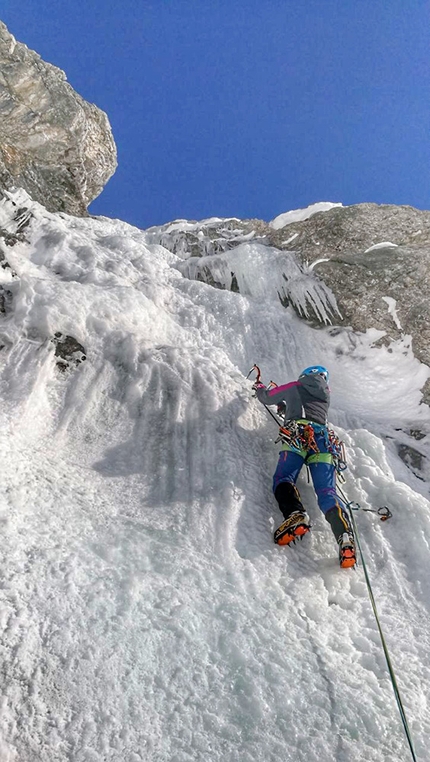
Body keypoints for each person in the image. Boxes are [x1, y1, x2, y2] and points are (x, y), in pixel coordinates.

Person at [253, 365, 356, 569]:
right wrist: (287, 409)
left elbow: (268, 397)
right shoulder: (325, 397)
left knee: (284, 479)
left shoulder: (295, 386)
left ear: (305, 375)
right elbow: (308, 410)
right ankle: (345, 536)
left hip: (297, 437)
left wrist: (259, 387)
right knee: (327, 492)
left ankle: (296, 514)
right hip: (323, 443)